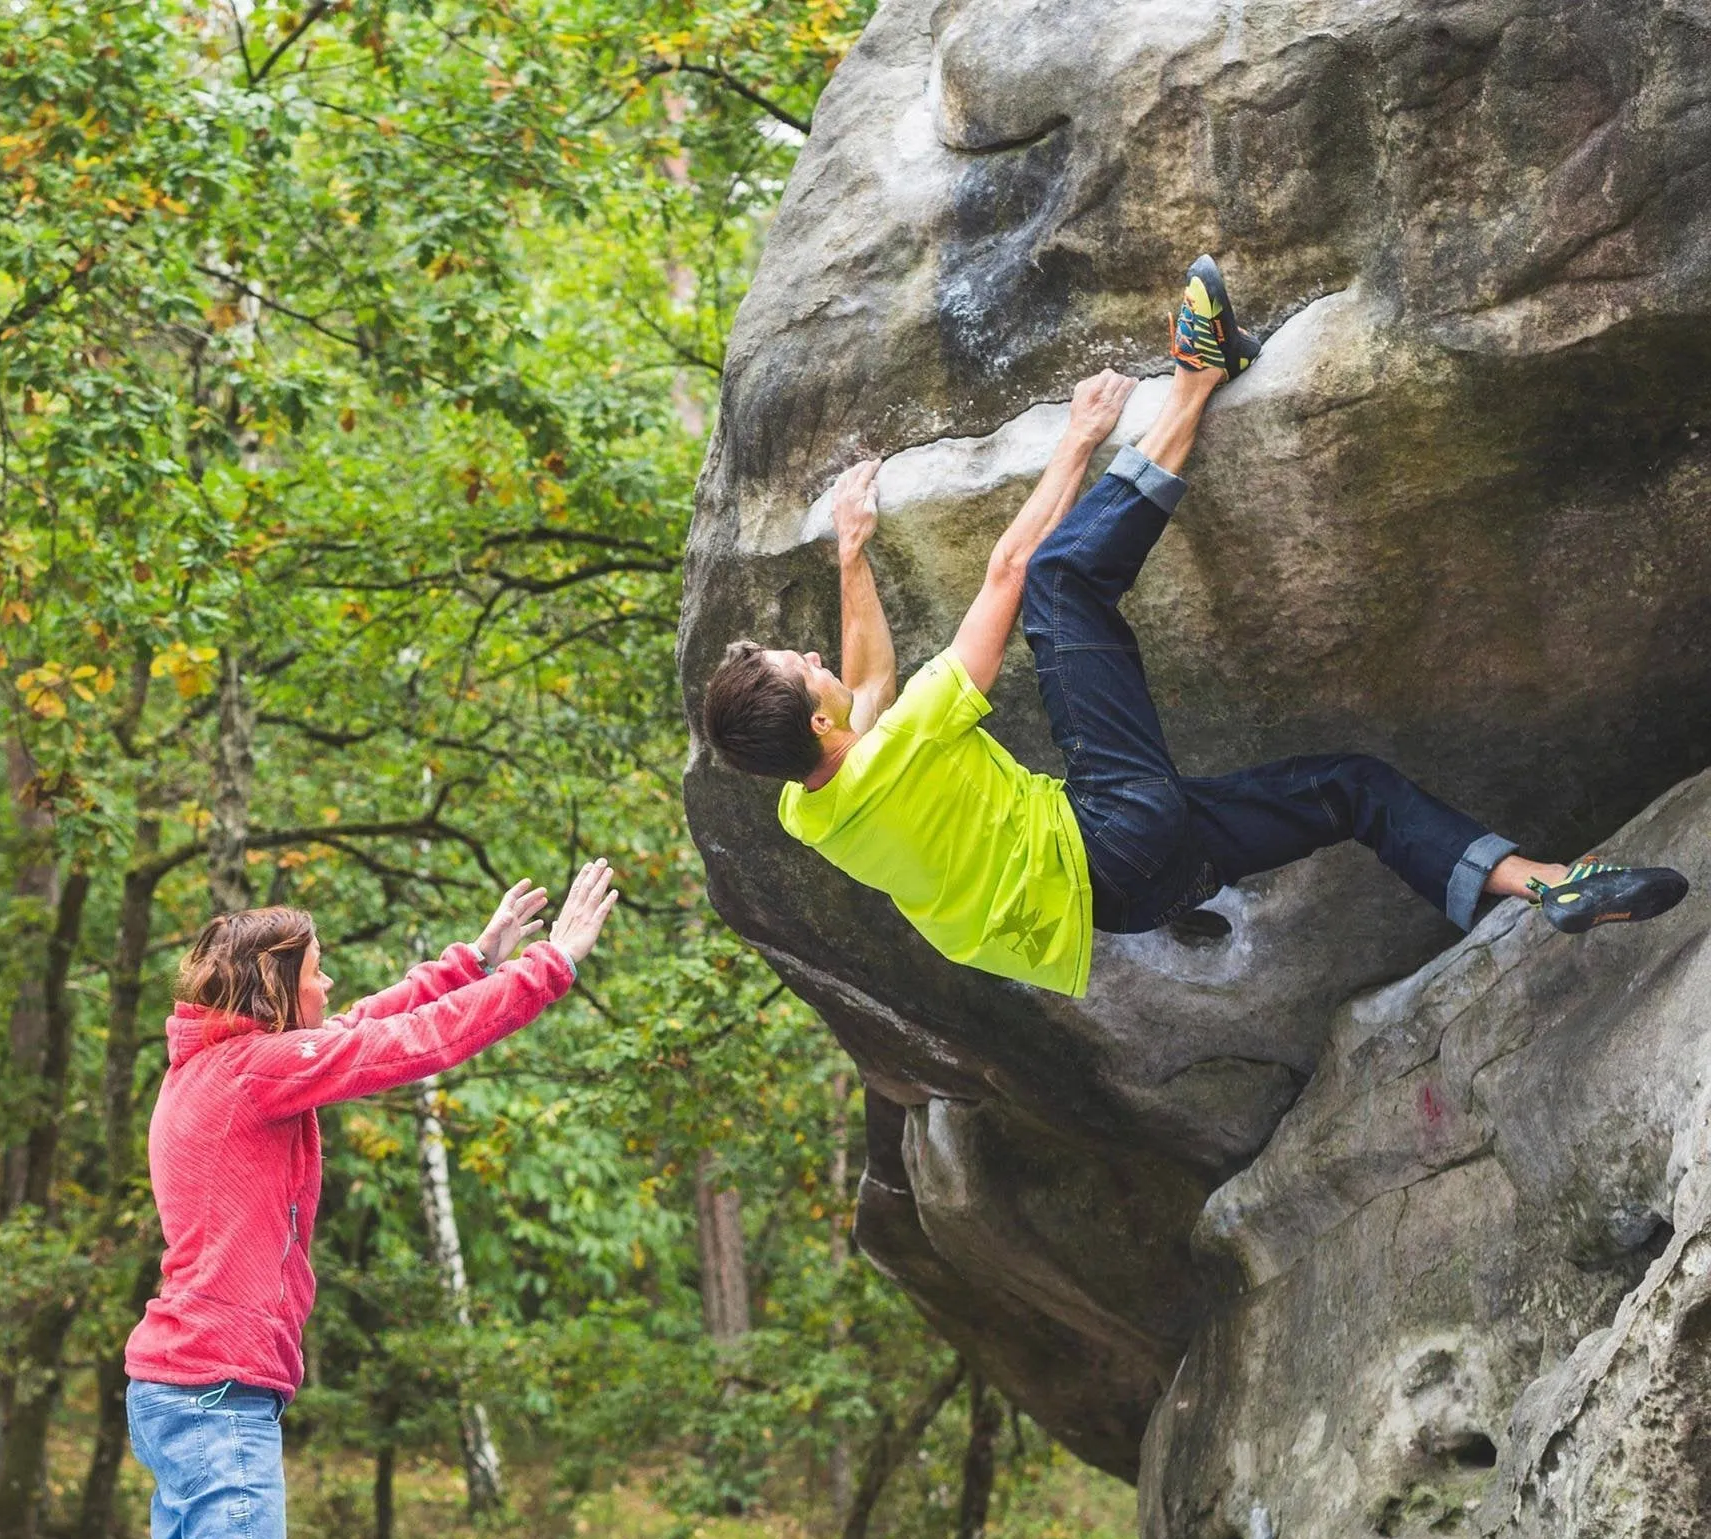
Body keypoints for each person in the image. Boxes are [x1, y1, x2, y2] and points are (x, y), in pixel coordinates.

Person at [700, 256, 1687, 997]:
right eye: (805, 667)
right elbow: (1003, 571)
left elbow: (863, 691)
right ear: (819, 726)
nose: (819, 658)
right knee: (1054, 588)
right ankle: (1195, 377)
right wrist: (1081, 442)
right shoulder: (898, 739)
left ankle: (1544, 881)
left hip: (1126, 900)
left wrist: (850, 553)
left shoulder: (810, 811)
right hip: (1106, 835)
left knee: (1351, 787)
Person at [55, 860, 618, 1539]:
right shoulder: (251, 1074)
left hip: (186, 1387)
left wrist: (472, 958)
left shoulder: (226, 1065)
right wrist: (549, 966)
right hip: (213, 1393)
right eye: (313, 972)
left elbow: (364, 1019)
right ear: (274, 986)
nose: (326, 984)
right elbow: (399, 1044)